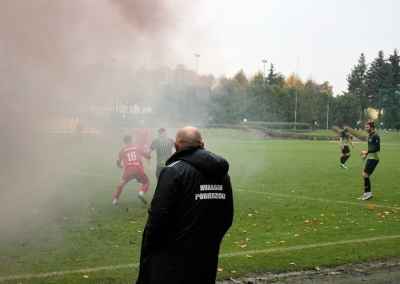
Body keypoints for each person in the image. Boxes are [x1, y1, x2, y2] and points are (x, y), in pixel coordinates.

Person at [136, 126, 234, 284]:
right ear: (202, 145)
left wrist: (150, 247)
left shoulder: (173, 171)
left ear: (176, 145)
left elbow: (158, 216)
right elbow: (227, 217)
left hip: (173, 259)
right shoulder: (223, 175)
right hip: (207, 255)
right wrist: (210, 241)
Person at [113, 135, 151, 205]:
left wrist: (121, 166)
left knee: (121, 184)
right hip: (138, 169)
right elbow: (147, 156)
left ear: (124, 141)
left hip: (128, 170)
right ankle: (141, 193)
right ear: (131, 140)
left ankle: (115, 200)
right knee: (146, 182)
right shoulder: (137, 147)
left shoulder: (122, 150)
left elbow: (118, 162)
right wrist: (148, 155)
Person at [359, 121, 380, 201]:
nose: (366, 128)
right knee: (366, 175)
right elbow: (371, 148)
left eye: (367, 127)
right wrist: (366, 155)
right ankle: (367, 193)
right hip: (370, 157)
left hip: (374, 158)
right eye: (365, 127)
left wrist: (366, 152)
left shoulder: (375, 136)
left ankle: (368, 193)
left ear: (372, 128)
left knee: (365, 175)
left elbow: (378, 148)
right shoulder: (370, 136)